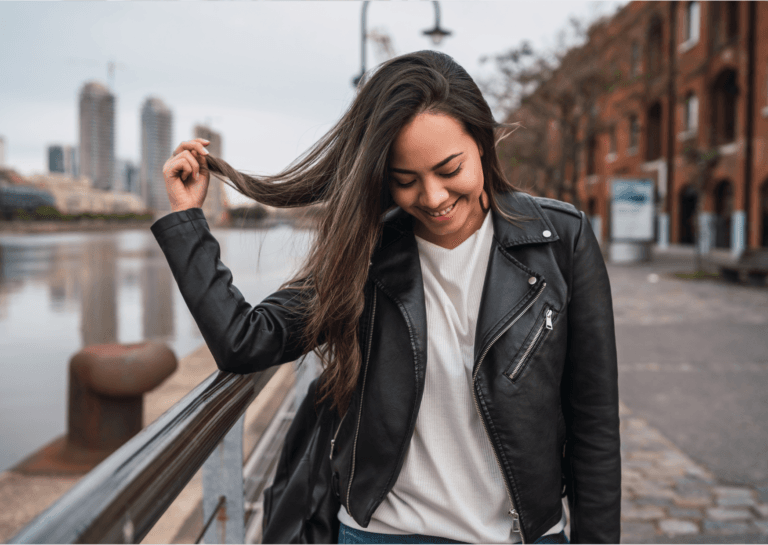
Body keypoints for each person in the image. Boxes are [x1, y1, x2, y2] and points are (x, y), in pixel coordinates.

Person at [153, 50, 620, 544]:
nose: (434, 197)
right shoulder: (364, 254)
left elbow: (594, 427)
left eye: (449, 168)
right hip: (386, 535)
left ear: (482, 142)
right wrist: (188, 219)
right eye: (406, 181)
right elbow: (243, 342)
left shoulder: (559, 239)